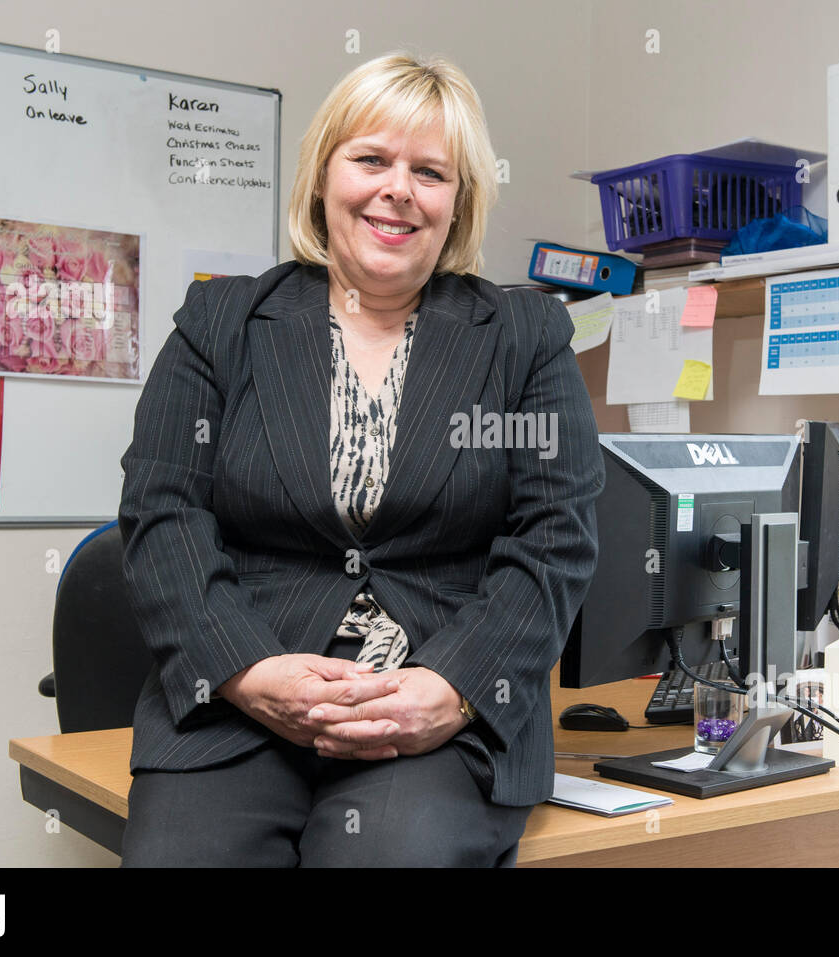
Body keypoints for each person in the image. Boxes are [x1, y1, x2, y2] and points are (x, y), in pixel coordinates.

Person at [116, 51, 604, 867]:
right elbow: (162, 514)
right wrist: (246, 670)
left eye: (430, 171)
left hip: (436, 719)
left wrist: (450, 688)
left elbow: (555, 537)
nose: (398, 189)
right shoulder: (221, 323)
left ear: (460, 201)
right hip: (242, 704)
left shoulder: (525, 339)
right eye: (371, 159)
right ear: (322, 178)